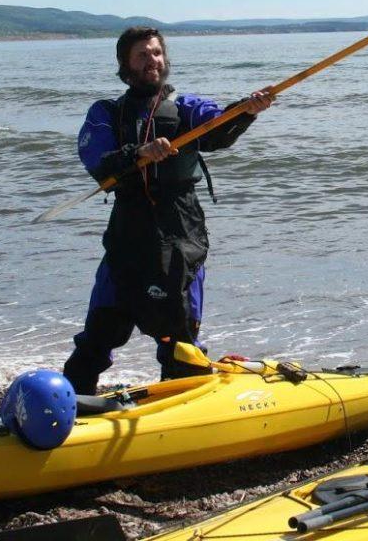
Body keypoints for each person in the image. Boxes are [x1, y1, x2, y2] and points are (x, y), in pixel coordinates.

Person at [63, 26, 275, 395]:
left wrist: (245, 112)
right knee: (102, 326)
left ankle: (184, 403)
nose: (152, 61)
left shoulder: (185, 107)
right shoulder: (106, 113)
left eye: (157, 53)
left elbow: (216, 130)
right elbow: (99, 162)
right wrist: (140, 153)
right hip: (129, 228)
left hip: (180, 227)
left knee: (179, 333)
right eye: (142, 55)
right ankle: (73, 399)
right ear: (125, 64)